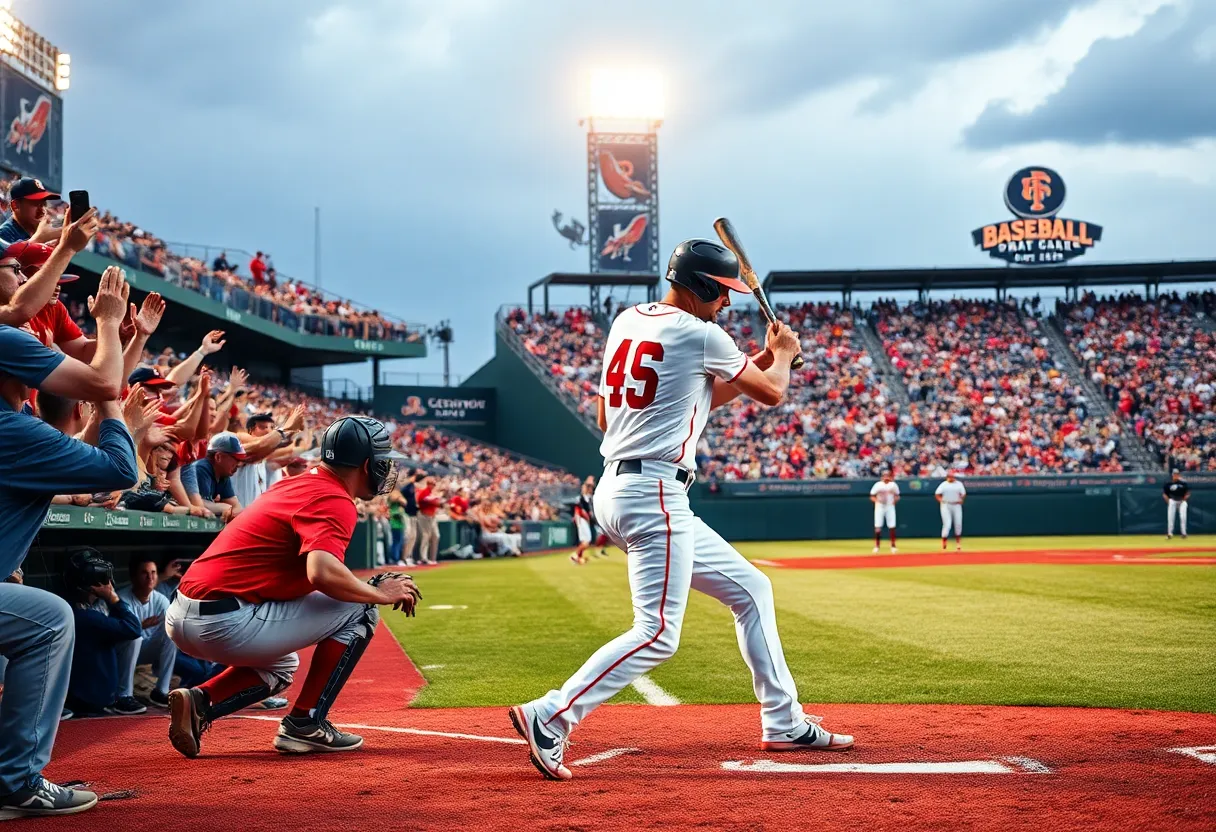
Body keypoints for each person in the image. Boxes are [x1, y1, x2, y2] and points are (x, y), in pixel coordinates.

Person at [509, 239, 853, 781]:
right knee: (658, 632)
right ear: (704, 286)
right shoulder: (702, 333)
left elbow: (642, 406)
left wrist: (758, 363)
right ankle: (551, 714)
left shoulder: (629, 320)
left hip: (620, 488)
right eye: (724, 293)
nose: (728, 304)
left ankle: (783, 721)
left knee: (751, 590)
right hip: (654, 495)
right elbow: (773, 395)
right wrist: (782, 354)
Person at [164, 416, 422, 758]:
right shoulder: (335, 499)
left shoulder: (296, 483)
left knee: (282, 666)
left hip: (188, 609)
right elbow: (321, 573)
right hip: (223, 620)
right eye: (382, 460)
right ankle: (306, 723)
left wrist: (365, 586)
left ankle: (201, 700)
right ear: (365, 464)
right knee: (361, 608)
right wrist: (378, 593)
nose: (386, 468)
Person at [0, 268, 138, 817]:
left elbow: (70, 454)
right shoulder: (12, 429)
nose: (43, 351)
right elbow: (119, 467)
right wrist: (107, 330)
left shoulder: (20, 424)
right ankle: (16, 783)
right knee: (52, 618)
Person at [62, 549, 145, 718]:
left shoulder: (80, 608)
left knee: (131, 639)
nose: (106, 582)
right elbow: (133, 627)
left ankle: (123, 697)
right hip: (91, 700)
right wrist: (113, 598)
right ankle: (122, 697)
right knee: (132, 635)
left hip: (83, 693)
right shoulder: (86, 616)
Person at [117, 556, 179, 708]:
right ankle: (124, 696)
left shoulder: (161, 600)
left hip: (147, 649)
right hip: (122, 651)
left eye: (153, 573)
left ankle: (161, 691)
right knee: (135, 637)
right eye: (144, 573)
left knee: (173, 632)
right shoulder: (122, 599)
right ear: (133, 577)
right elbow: (120, 633)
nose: (150, 577)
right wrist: (140, 626)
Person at [180, 432, 247, 520]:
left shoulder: (223, 474)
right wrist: (224, 507)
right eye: (236, 459)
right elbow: (198, 505)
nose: (239, 464)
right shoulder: (201, 468)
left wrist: (223, 507)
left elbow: (237, 508)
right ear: (218, 457)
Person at [0, 178, 64, 245]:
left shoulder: (35, 231)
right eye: (35, 204)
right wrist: (39, 239)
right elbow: (10, 252)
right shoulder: (3, 235)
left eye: (44, 204)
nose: (42, 210)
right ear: (15, 206)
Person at [935, 471, 966, 551]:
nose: (951, 477)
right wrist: (941, 500)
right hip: (946, 505)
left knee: (958, 524)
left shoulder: (959, 484)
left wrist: (962, 499)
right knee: (947, 524)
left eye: (952, 476)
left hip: (956, 505)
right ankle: (944, 544)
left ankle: (958, 544)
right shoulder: (944, 484)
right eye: (950, 476)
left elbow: (963, 493)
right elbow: (937, 494)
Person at [870, 471, 900, 553]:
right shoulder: (878, 485)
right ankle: (877, 546)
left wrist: (894, 501)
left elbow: (897, 495)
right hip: (880, 506)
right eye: (884, 475)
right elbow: (872, 495)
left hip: (890, 506)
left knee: (892, 525)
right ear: (882, 477)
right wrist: (876, 501)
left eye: (888, 475)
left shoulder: (893, 485)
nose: (886, 477)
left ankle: (893, 546)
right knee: (878, 526)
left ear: (890, 477)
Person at [415, 476, 441, 565]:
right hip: (424, 515)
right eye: (431, 484)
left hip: (432, 516)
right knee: (426, 535)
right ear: (428, 484)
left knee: (436, 535)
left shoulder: (432, 493)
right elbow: (423, 502)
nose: (433, 486)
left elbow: (437, 503)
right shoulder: (424, 492)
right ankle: (423, 558)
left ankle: (433, 558)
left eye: (434, 484)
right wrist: (437, 502)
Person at [570, 478, 595, 565]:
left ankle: (578, 557)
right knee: (586, 541)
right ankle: (575, 555)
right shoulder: (581, 498)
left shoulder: (589, 498)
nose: (591, 489)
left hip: (584, 520)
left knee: (585, 541)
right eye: (589, 488)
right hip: (582, 520)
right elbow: (579, 510)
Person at [1164, 470, 1190, 540]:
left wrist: (1184, 499)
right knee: (1170, 518)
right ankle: (1169, 533)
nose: (1176, 475)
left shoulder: (1183, 483)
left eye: (1177, 474)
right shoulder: (1168, 483)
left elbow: (1187, 493)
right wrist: (1169, 502)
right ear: (1172, 475)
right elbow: (1165, 494)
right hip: (1172, 500)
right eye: (1175, 474)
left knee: (1183, 517)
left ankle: (1184, 533)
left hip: (1182, 501)